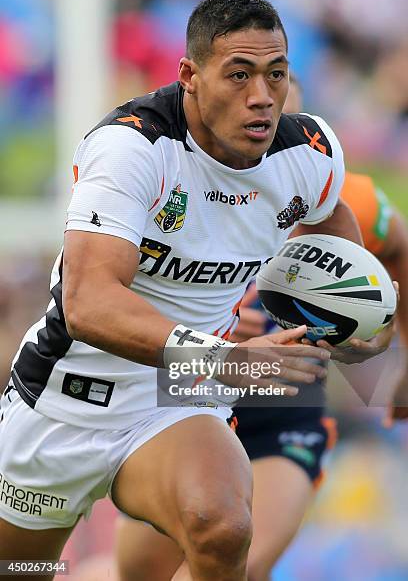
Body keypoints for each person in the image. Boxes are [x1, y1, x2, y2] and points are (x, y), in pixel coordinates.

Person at [0, 0, 389, 581]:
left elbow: (337, 233)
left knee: (223, 526)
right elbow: (87, 304)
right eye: (239, 75)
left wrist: (359, 332)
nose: (262, 98)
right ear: (189, 75)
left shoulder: (308, 153)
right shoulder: (132, 147)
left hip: (179, 391)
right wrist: (228, 357)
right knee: (21, 569)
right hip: (67, 397)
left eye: (276, 75)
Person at [113, 76, 404, 581]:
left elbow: (397, 253)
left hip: (281, 405)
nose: (262, 124)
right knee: (138, 572)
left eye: (280, 113)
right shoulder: (169, 181)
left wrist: (388, 351)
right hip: (183, 395)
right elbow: (107, 295)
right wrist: (209, 333)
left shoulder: (346, 196)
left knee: (241, 566)